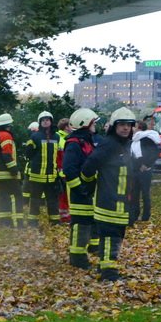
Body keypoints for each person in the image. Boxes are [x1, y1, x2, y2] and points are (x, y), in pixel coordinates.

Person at [81, 107, 137, 281]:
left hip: (122, 202)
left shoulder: (126, 145)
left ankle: (105, 266)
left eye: (128, 125)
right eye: (122, 125)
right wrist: (89, 185)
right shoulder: (109, 144)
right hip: (108, 201)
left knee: (117, 235)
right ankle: (108, 272)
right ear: (114, 126)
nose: (125, 128)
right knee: (110, 235)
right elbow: (88, 167)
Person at [62, 108, 99, 269]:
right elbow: (69, 170)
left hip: (88, 191)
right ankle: (77, 258)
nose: (95, 125)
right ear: (86, 124)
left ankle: (83, 253)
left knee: (87, 223)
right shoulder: (74, 144)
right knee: (80, 224)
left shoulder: (86, 141)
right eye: (93, 123)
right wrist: (80, 188)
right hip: (79, 193)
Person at [23, 111, 60, 228]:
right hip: (37, 175)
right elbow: (28, 154)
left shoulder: (57, 137)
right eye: (43, 120)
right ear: (40, 122)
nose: (45, 121)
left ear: (51, 121)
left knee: (52, 200)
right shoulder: (35, 136)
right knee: (35, 200)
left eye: (47, 119)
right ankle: (32, 222)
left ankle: (54, 222)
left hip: (51, 176)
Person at [0, 113, 22, 227]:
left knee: (4, 196)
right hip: (7, 173)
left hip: (0, 173)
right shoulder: (6, 136)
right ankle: (18, 222)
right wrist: (14, 170)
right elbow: (7, 155)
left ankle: (5, 221)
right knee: (16, 196)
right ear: (8, 125)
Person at [129, 120, 161, 223]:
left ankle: (146, 215)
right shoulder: (133, 140)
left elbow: (155, 152)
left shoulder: (146, 139)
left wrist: (146, 164)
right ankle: (135, 214)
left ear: (139, 128)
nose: (132, 129)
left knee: (145, 194)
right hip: (134, 170)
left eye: (134, 127)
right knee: (134, 194)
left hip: (145, 171)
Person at [56, 117, 71, 224]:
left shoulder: (62, 138)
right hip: (62, 173)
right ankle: (64, 217)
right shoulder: (62, 140)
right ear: (66, 127)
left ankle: (65, 216)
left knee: (64, 196)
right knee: (63, 196)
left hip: (62, 172)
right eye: (70, 125)